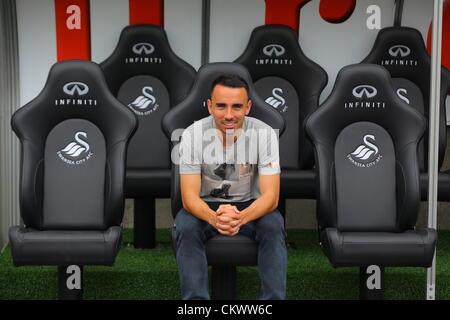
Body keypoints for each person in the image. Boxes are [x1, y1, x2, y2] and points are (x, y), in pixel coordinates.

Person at [175, 74, 287, 300]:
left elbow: (271, 197)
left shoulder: (264, 134)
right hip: (204, 204)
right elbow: (188, 197)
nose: (228, 115)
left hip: (249, 205)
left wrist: (240, 217)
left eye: (236, 107)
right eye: (221, 106)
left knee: (274, 224)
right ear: (209, 106)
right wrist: (215, 218)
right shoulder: (192, 135)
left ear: (248, 107)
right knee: (186, 226)